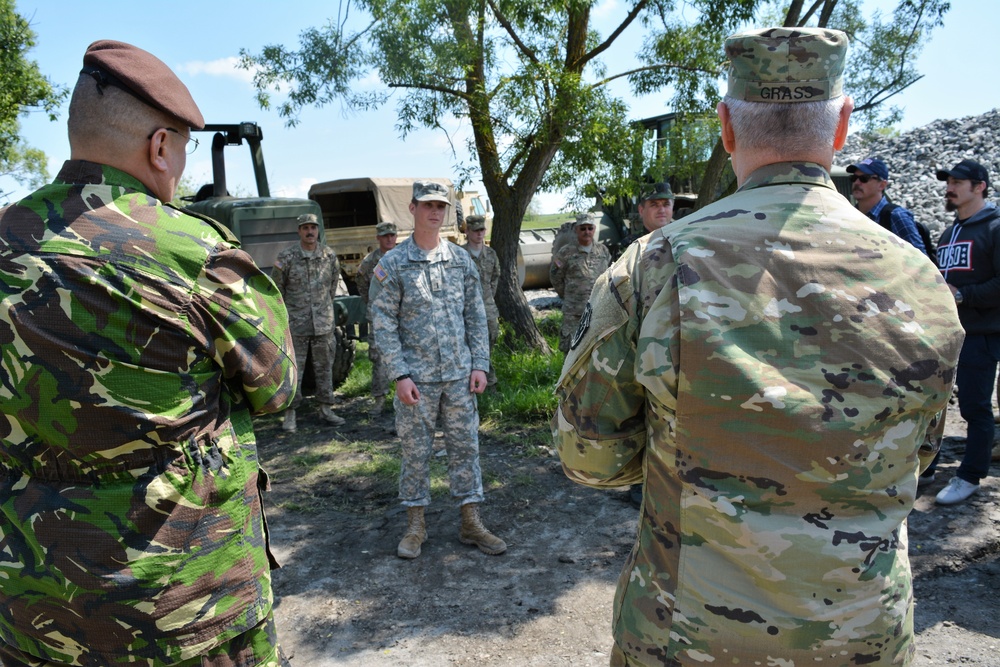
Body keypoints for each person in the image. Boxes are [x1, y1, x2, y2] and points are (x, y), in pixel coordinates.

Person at [552, 27, 963, 665]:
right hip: (861, 639)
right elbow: (921, 453)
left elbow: (589, 455)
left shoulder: (654, 265)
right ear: (841, 126)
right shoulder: (920, 279)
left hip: (688, 638)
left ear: (727, 126)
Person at [0, 40, 296, 667]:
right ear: (160, 146)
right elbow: (277, 387)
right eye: (183, 150)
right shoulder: (193, 254)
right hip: (187, 615)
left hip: (32, 611)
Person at [369, 181, 506, 559]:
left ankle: (471, 521)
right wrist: (399, 374)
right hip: (417, 380)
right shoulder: (393, 264)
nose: (435, 212)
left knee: (466, 448)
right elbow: (382, 323)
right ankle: (416, 525)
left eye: (441, 206)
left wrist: (480, 364)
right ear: (412, 208)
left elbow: (475, 316)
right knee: (416, 453)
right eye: (427, 205)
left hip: (460, 376)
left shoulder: (461, 260)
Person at [929, 158, 1000, 505]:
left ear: (979, 187)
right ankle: (928, 467)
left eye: (958, 182)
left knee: (975, 408)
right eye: (948, 181)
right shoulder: (949, 232)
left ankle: (970, 475)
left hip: (982, 334)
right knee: (934, 404)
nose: (950, 187)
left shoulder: (995, 227)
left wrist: (962, 295)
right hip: (950, 334)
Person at [272, 212, 346, 431]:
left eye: (313, 227)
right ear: (299, 231)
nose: (310, 231)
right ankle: (290, 413)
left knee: (325, 368)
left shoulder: (329, 256)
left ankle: (326, 409)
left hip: (323, 324)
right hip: (296, 325)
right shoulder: (286, 258)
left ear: (318, 230)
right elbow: (277, 290)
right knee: (294, 370)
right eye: (305, 228)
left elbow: (332, 287)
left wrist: (323, 310)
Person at [549, 212, 611, 353]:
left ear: (594, 229)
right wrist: (569, 295)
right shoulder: (565, 253)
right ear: (576, 230)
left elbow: (608, 276)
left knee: (597, 351)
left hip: (597, 311)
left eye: (590, 228)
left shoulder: (603, 251)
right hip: (574, 313)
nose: (586, 232)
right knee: (572, 352)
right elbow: (555, 277)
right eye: (582, 228)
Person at [847, 156, 931, 258]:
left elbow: (921, 260)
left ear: (882, 185)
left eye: (864, 178)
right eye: (854, 178)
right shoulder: (849, 217)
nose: (857, 183)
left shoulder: (896, 216)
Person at [357, 220, 399, 415]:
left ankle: (408, 396)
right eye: (385, 236)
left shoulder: (404, 256)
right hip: (379, 315)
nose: (389, 239)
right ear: (378, 238)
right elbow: (363, 287)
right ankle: (380, 399)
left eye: (392, 235)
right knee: (378, 356)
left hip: (406, 315)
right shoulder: (369, 262)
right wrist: (375, 306)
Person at [461, 214, 500, 387]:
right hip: (465, 309)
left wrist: (488, 296)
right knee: (467, 343)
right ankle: (475, 379)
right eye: (475, 230)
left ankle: (486, 377)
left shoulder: (491, 254)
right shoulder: (460, 255)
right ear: (467, 231)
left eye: (482, 230)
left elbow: (495, 278)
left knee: (490, 340)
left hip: (488, 307)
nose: (479, 234)